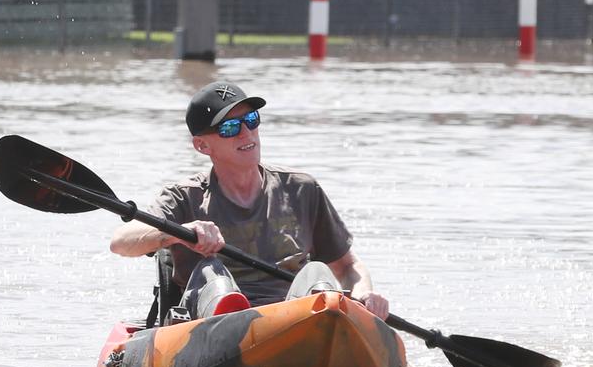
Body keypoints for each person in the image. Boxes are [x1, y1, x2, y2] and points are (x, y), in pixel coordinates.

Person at [110, 81, 389, 320]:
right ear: (202, 145)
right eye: (230, 127)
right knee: (212, 272)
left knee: (318, 272)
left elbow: (348, 266)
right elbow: (120, 242)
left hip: (295, 321)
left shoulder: (302, 189)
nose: (246, 133)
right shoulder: (184, 197)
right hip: (214, 325)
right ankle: (231, 317)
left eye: (251, 120)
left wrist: (364, 292)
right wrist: (177, 233)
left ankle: (320, 331)